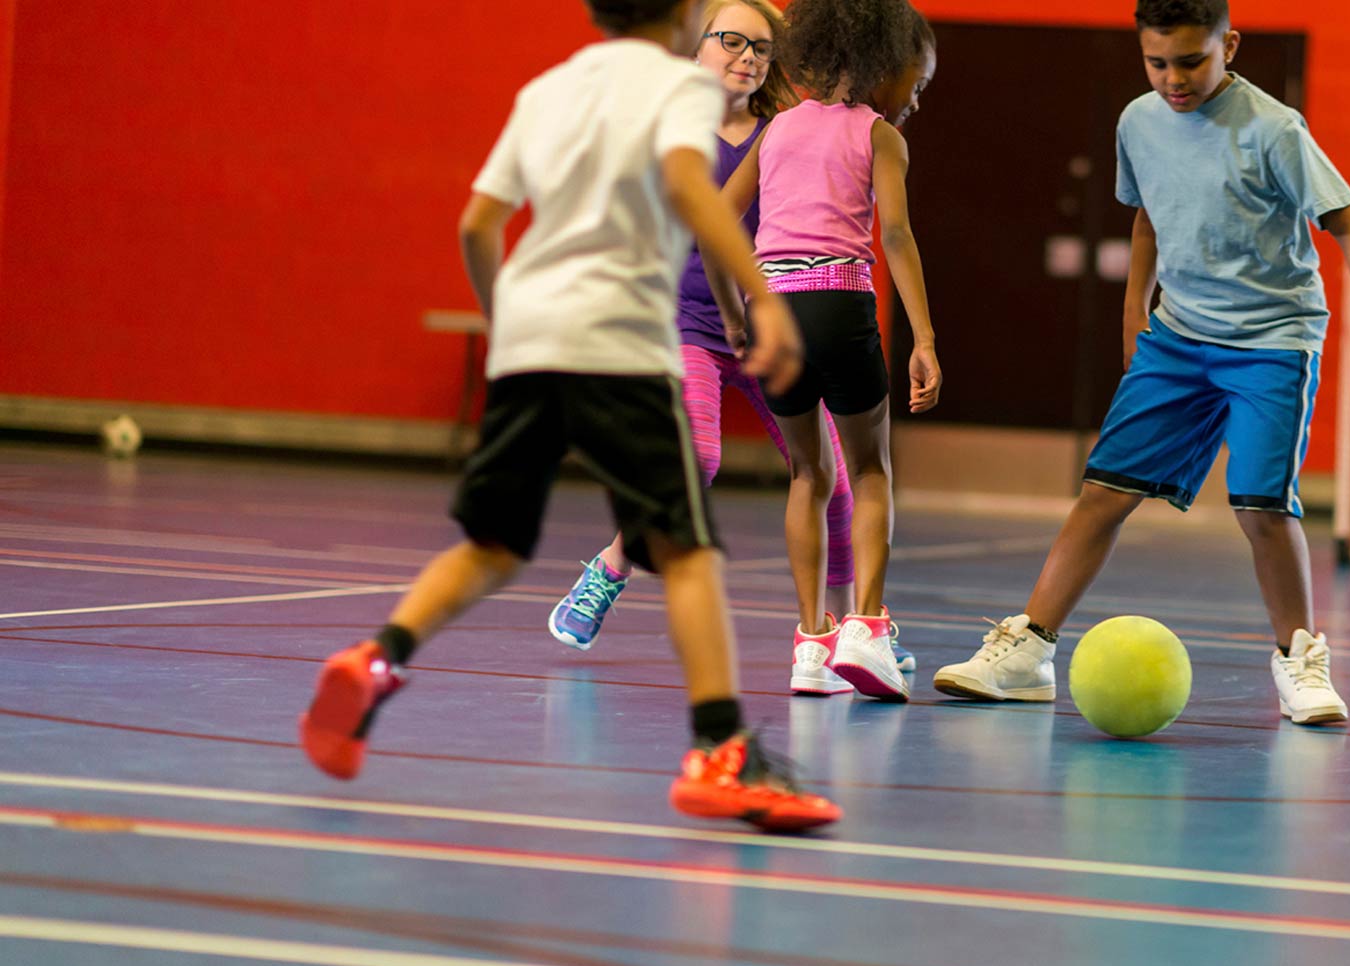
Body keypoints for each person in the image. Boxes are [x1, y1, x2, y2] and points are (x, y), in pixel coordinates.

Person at [297, 0, 840, 832]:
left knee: (491, 546)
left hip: (528, 338)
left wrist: (500, 318)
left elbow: (479, 223)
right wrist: (762, 300)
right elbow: (694, 194)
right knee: (688, 552)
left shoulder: (546, 90)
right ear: (684, 19)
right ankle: (720, 752)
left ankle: (377, 658)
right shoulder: (677, 91)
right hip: (618, 343)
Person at [930, 0, 1350, 726]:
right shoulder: (1137, 121)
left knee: (1261, 505)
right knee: (1102, 492)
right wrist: (1135, 317)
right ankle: (1027, 651)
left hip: (1272, 340)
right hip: (1178, 337)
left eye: (1191, 61)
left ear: (1229, 46)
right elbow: (1147, 215)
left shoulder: (1275, 129)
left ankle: (1300, 660)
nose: (1174, 79)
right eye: (1158, 63)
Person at [543, 0, 914, 693]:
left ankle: (845, 632)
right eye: (732, 41)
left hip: (769, 328)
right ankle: (612, 567)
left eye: (764, 48)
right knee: (701, 458)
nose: (748, 56)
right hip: (689, 327)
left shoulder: (781, 133)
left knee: (830, 482)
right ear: (697, 47)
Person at [723, 0, 940, 702]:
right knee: (871, 470)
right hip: (839, 303)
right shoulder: (880, 137)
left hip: (771, 312)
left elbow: (717, 222)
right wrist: (925, 340)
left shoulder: (776, 128)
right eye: (917, 80)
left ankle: (811, 646)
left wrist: (736, 314)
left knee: (807, 476)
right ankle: (866, 628)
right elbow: (897, 239)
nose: (915, 96)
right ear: (885, 63)